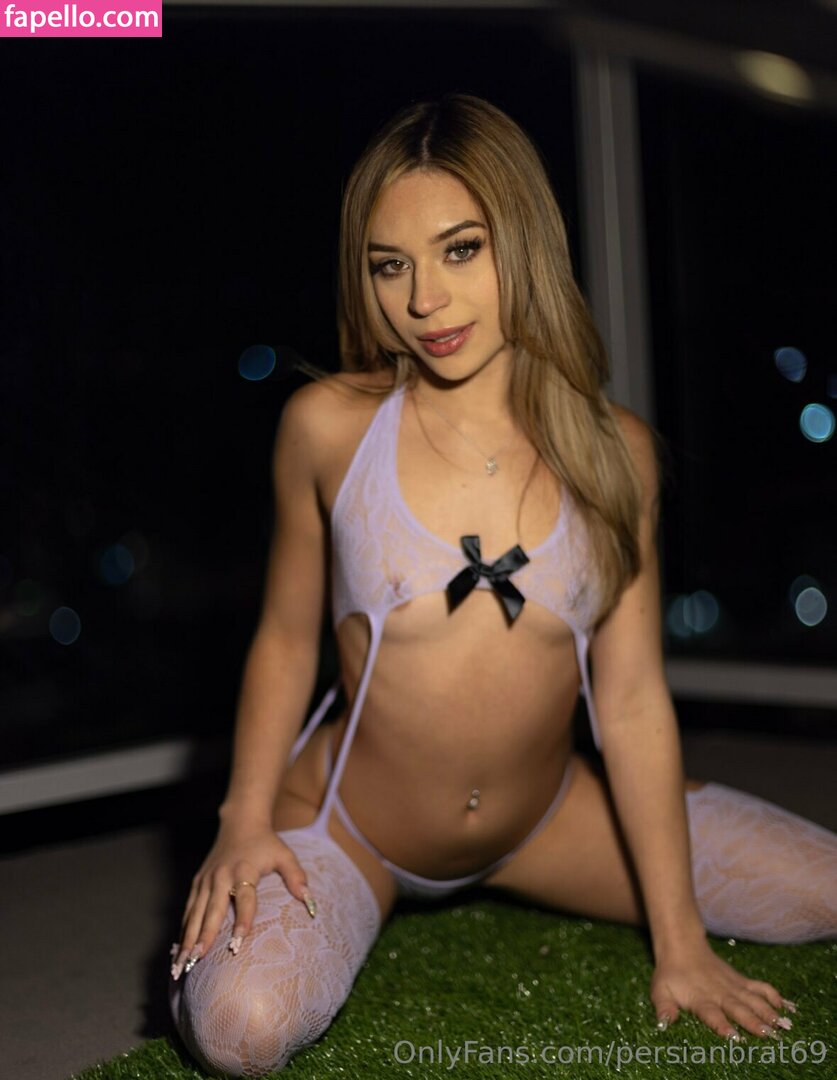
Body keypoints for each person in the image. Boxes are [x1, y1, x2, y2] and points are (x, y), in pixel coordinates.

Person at [167, 93, 837, 1077]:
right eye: (390, 265)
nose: (424, 301)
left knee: (826, 890)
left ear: (524, 242)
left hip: (546, 817)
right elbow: (282, 636)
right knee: (241, 1031)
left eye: (460, 250)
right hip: (349, 825)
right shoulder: (328, 428)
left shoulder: (617, 453)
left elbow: (631, 698)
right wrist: (243, 817)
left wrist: (681, 942)